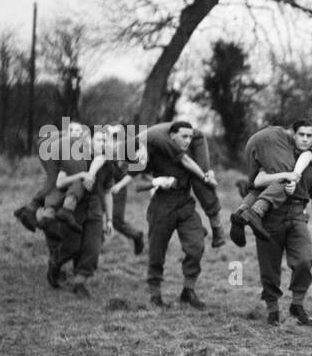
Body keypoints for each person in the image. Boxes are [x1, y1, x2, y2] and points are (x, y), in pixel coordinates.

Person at [240, 122, 312, 326]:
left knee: (305, 259)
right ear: (293, 135)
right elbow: (257, 180)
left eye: (309, 135)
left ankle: (297, 304)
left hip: (297, 216)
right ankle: (273, 310)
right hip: (270, 217)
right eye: (301, 134)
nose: (304, 139)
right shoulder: (275, 156)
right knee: (269, 266)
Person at [229, 120, 312, 247]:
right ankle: (256, 212)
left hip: (255, 141)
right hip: (268, 139)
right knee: (286, 175)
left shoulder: (292, 155)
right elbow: (306, 156)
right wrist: (292, 176)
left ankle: (239, 214)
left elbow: (259, 180)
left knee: (261, 187)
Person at [43, 130, 122, 298]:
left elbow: (107, 192)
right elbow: (60, 182)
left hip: (94, 208)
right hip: (73, 207)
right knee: (72, 246)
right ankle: (55, 263)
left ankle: (79, 282)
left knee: (93, 248)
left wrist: (109, 220)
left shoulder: (108, 165)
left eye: (105, 140)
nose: (102, 143)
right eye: (99, 140)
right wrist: (81, 176)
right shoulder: (76, 158)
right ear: (90, 142)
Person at [138, 120, 208, 309]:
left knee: (196, 246)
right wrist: (157, 180)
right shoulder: (155, 151)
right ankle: (155, 296)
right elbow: (137, 180)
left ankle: (188, 291)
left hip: (185, 203)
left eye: (190, 137)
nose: (187, 141)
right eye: (184, 136)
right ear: (172, 136)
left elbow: (202, 172)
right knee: (156, 251)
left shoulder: (190, 154)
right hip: (162, 205)